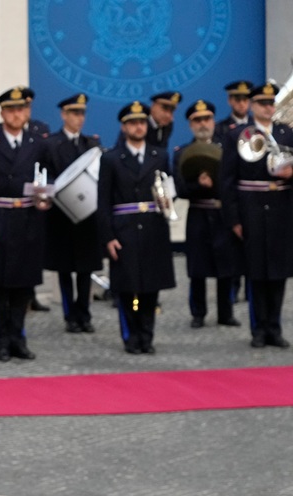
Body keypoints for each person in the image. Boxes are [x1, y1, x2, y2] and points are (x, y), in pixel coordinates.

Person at [0, 86, 51, 362]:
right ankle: (1, 343)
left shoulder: (38, 143)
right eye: (11, 109)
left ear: (27, 112)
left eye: (21, 109)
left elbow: (48, 178)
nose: (17, 114)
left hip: (28, 221)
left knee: (24, 286)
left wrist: (45, 200)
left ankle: (19, 339)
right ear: (2, 113)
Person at [96, 100, 177, 355]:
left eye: (141, 122)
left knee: (151, 287)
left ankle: (147, 335)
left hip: (153, 228)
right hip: (125, 229)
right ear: (124, 127)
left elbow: (168, 190)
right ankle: (130, 335)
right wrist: (108, 237)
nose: (138, 127)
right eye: (132, 123)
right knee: (128, 288)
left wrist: (168, 202)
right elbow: (103, 201)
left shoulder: (159, 156)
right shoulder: (111, 158)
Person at [219, 81, 293, 348]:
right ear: (252, 106)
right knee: (256, 272)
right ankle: (258, 329)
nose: (268, 108)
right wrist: (234, 219)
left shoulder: (286, 133)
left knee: (279, 272)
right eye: (262, 103)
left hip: (281, 208)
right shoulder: (238, 135)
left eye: (271, 103)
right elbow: (227, 180)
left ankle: (275, 327)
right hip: (251, 208)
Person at [175, 99, 241, 329]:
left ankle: (226, 313)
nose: (203, 124)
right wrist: (198, 185)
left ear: (213, 121)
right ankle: (198, 313)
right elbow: (180, 189)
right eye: (197, 120)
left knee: (226, 267)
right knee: (197, 268)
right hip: (198, 215)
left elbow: (234, 182)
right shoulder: (182, 153)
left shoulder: (227, 149)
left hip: (222, 214)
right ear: (190, 124)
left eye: (207, 119)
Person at [42, 93, 102, 334]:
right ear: (63, 115)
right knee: (65, 269)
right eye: (75, 113)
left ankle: (84, 314)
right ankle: (70, 316)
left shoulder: (92, 144)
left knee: (86, 269)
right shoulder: (51, 144)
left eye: (82, 113)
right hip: (61, 216)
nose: (79, 118)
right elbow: (45, 175)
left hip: (88, 218)